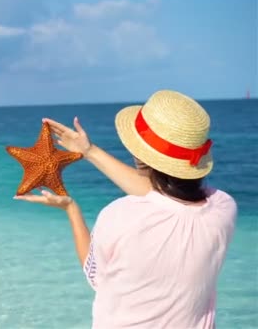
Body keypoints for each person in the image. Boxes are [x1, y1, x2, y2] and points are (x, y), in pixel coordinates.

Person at [14, 90, 237, 328]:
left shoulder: (119, 216)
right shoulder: (223, 208)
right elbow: (167, 199)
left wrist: (72, 209)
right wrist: (89, 151)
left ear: (138, 156)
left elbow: (96, 277)